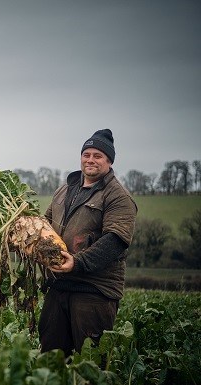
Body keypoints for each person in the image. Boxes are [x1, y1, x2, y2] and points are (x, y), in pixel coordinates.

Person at [38, 129, 137, 356]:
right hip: (59, 285)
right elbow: (45, 224)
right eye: (87, 154)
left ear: (109, 161)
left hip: (93, 290)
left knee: (90, 365)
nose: (90, 160)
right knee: (50, 359)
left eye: (98, 155)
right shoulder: (64, 190)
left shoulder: (118, 196)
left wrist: (77, 262)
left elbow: (116, 241)